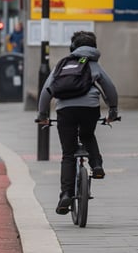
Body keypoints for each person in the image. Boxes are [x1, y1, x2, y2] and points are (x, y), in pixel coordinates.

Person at [36, 31, 119, 215]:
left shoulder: (62, 64)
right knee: (88, 134)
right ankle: (96, 165)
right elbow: (109, 88)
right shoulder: (94, 64)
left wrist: (42, 114)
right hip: (89, 109)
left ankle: (66, 194)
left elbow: (46, 91)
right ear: (94, 48)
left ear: (72, 48)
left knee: (68, 153)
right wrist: (112, 111)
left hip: (65, 111)